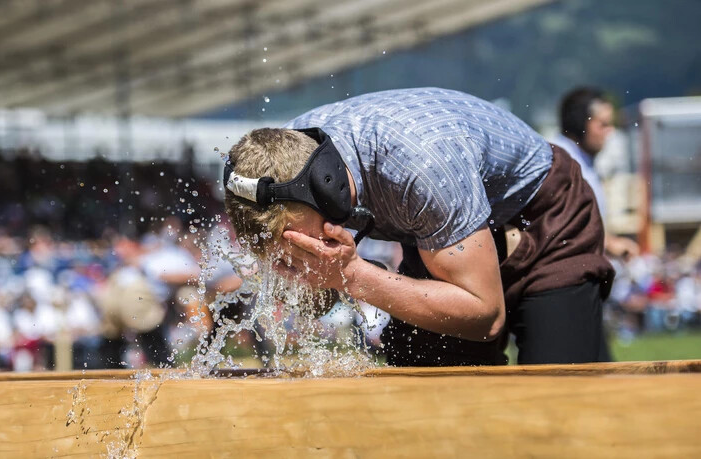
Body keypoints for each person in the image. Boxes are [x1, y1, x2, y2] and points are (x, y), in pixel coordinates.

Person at [223, 87, 615, 366]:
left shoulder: (418, 168)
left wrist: (351, 275)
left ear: (329, 191)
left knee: (557, 394)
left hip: (543, 221)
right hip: (440, 230)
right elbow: (318, 297)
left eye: (299, 244)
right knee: (424, 380)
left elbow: (484, 314)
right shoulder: (280, 159)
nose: (298, 256)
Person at [553, 87, 640, 258]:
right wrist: (609, 243)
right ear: (580, 124)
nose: (610, 132)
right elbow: (560, 227)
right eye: (604, 124)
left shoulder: (580, 162)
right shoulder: (560, 163)